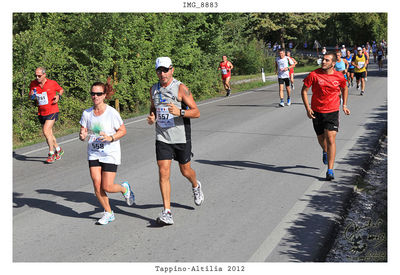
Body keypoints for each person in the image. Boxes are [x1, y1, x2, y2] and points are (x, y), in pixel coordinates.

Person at [147, 57, 204, 225]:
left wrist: (180, 112)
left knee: (185, 171)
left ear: (172, 70)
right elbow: (153, 110)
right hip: (162, 137)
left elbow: (196, 112)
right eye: (159, 70)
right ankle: (167, 211)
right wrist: (151, 117)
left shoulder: (180, 88)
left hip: (180, 136)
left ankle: (195, 185)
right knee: (163, 172)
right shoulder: (154, 90)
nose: (162, 74)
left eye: (165, 70)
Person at [79, 80, 134, 225]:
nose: (95, 96)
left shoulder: (111, 113)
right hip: (94, 152)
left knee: (107, 187)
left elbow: (123, 130)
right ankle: (108, 212)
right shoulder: (87, 113)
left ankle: (124, 188)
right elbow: (83, 132)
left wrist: (111, 137)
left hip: (110, 153)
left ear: (104, 95)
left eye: (98, 94)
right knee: (97, 185)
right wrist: (82, 136)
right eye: (93, 93)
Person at [301, 52, 351, 180]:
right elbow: (304, 91)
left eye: (327, 60)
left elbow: (345, 88)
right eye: (323, 60)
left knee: (330, 138)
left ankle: (330, 170)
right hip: (317, 111)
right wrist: (308, 108)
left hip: (332, 111)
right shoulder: (314, 74)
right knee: (321, 139)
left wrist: (344, 105)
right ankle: (324, 150)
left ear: (333, 63)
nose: (323, 62)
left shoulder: (339, 77)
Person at [29, 67, 65, 164]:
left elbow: (61, 90)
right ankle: (58, 149)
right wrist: (32, 95)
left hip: (52, 110)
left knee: (46, 131)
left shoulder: (52, 83)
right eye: (36, 75)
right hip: (41, 112)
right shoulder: (33, 84)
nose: (37, 77)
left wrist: (58, 96)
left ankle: (51, 153)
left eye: (39, 76)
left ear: (44, 75)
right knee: (49, 133)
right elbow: (31, 97)